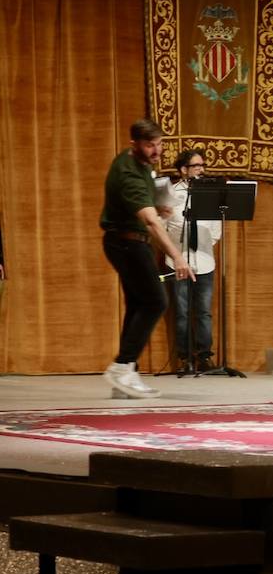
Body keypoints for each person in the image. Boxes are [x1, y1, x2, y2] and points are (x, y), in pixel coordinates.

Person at [100, 119, 193, 399]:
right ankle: (120, 368)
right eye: (150, 145)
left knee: (138, 304)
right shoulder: (127, 171)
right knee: (156, 301)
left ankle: (126, 372)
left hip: (130, 241)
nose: (157, 150)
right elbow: (151, 224)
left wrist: (158, 206)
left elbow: (147, 209)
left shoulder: (141, 164)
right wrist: (177, 257)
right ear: (134, 144)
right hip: (126, 243)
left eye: (160, 143)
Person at [162, 150, 222, 371]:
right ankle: (185, 359)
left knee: (204, 311)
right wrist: (177, 252)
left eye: (202, 165)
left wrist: (203, 247)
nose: (201, 169)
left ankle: (204, 357)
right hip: (176, 262)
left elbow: (216, 228)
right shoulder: (170, 193)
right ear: (183, 169)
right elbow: (162, 227)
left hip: (205, 261)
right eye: (196, 165)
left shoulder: (210, 192)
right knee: (182, 312)